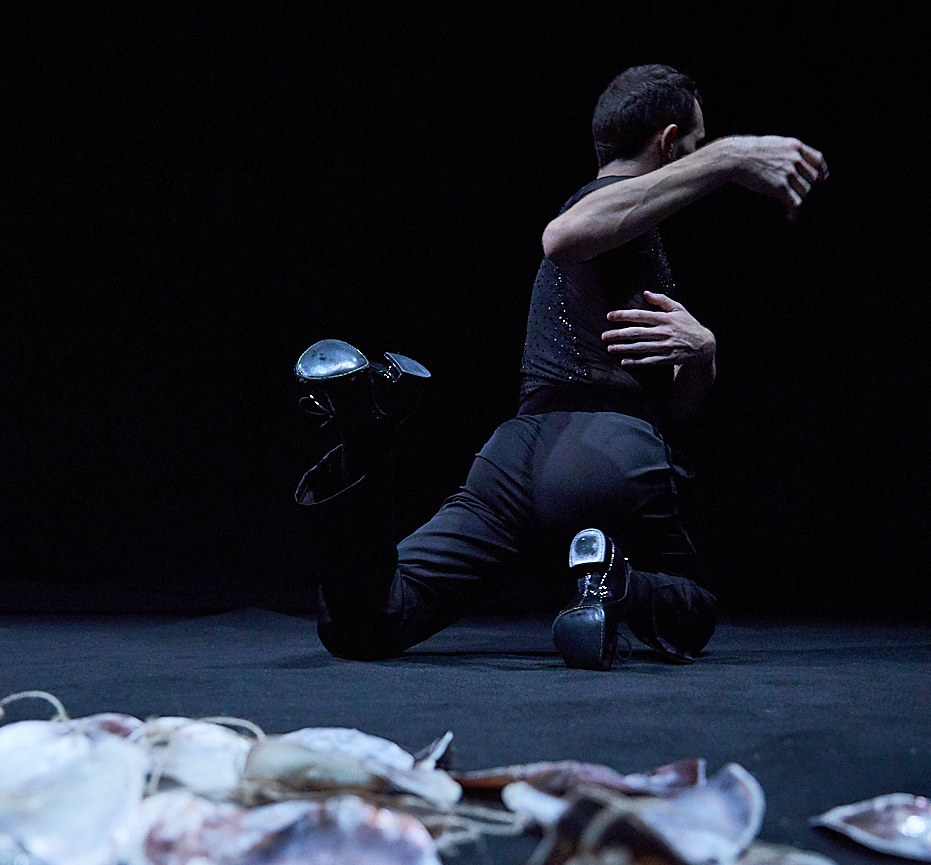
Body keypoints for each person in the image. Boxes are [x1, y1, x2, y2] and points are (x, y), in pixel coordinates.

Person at [293, 64, 827, 668]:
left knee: (368, 621)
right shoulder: (604, 212)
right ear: (670, 142)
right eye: (698, 143)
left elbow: (678, 405)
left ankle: (362, 441)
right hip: (607, 456)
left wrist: (702, 352)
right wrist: (729, 159)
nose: (701, 153)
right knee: (691, 608)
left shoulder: (626, 236)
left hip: (510, 461)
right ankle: (610, 578)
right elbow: (562, 235)